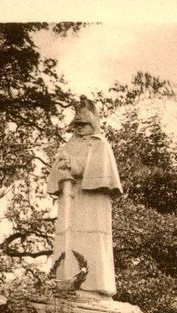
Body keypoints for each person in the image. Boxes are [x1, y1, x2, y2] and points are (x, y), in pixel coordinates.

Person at [47, 96, 122, 299]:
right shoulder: (68, 145)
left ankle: (94, 286)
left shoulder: (100, 145)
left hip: (92, 204)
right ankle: (65, 281)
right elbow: (57, 170)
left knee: (92, 240)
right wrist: (61, 167)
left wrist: (74, 164)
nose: (79, 128)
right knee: (69, 239)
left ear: (93, 123)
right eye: (76, 125)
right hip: (72, 201)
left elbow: (98, 170)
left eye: (83, 124)